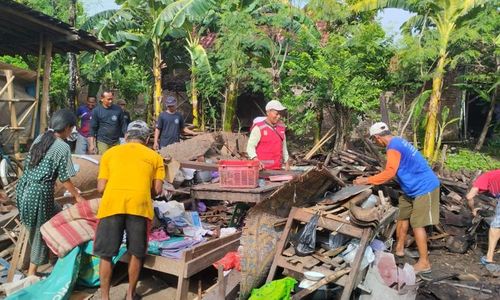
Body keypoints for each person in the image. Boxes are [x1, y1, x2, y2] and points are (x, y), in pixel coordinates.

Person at [353, 122, 440, 274]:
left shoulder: (393, 147)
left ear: (378, 138)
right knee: (402, 216)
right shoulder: (398, 141)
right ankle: (399, 248)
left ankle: (424, 262)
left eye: (374, 140)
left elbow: (389, 173)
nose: (376, 143)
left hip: (424, 187)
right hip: (410, 188)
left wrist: (365, 180)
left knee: (418, 224)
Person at [94, 120, 165, 300]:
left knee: (106, 254)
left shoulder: (110, 153)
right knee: (136, 253)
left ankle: (104, 297)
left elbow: (101, 188)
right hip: (139, 206)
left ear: (126, 137)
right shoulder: (155, 157)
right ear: (148, 138)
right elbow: (157, 191)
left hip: (112, 205)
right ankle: (130, 295)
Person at [16, 109, 87, 276]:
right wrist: (77, 196)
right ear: (68, 128)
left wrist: (49, 179)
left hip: (24, 189)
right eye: (72, 128)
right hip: (38, 194)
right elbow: (65, 178)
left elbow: (32, 164)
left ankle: (56, 256)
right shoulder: (62, 146)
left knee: (57, 215)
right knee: (40, 232)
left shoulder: (41, 138)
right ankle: (32, 275)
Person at [465, 170, 500, 268]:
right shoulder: (494, 175)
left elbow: (469, 197)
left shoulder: (482, 179)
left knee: (496, 226)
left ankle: (489, 258)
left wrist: (473, 210)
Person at [246, 100, 290, 170]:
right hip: (262, 169)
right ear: (268, 112)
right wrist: (256, 160)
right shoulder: (259, 128)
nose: (278, 116)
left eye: (280, 114)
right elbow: (250, 147)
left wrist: (287, 162)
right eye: (276, 114)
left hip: (278, 168)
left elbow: (284, 147)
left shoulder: (281, 128)